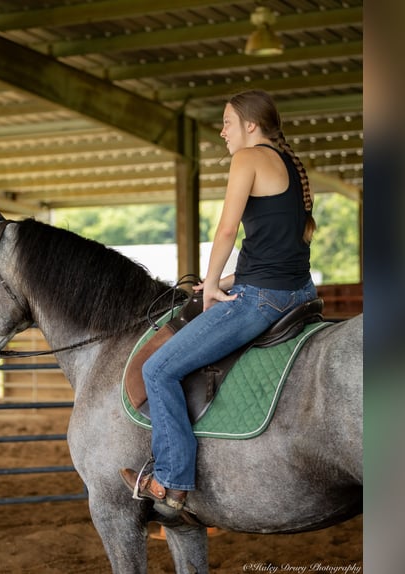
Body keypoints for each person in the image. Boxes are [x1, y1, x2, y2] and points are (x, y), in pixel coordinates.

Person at [119, 89, 318, 516]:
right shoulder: (293, 165)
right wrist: (223, 280)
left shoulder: (247, 159)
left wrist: (210, 286)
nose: (224, 131)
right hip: (299, 292)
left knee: (158, 369)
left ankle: (171, 480)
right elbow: (276, 247)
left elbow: (227, 231)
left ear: (251, 124)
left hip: (262, 300)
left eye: (228, 122)